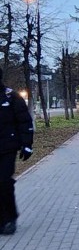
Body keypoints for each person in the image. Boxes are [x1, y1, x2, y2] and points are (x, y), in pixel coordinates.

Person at [0, 68, 35, 235]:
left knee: (4, 182)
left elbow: (24, 121)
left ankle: (10, 218)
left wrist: (27, 145)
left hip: (8, 147)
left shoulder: (11, 96)